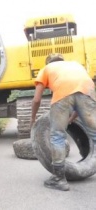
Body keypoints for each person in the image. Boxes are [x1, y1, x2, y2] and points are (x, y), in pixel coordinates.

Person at [30, 53, 96, 191]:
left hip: (63, 95)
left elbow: (36, 99)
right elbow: (81, 97)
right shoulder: (76, 65)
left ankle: (59, 179)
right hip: (88, 92)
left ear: (49, 62)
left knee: (57, 137)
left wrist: (33, 118)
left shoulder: (47, 69)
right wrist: (71, 118)